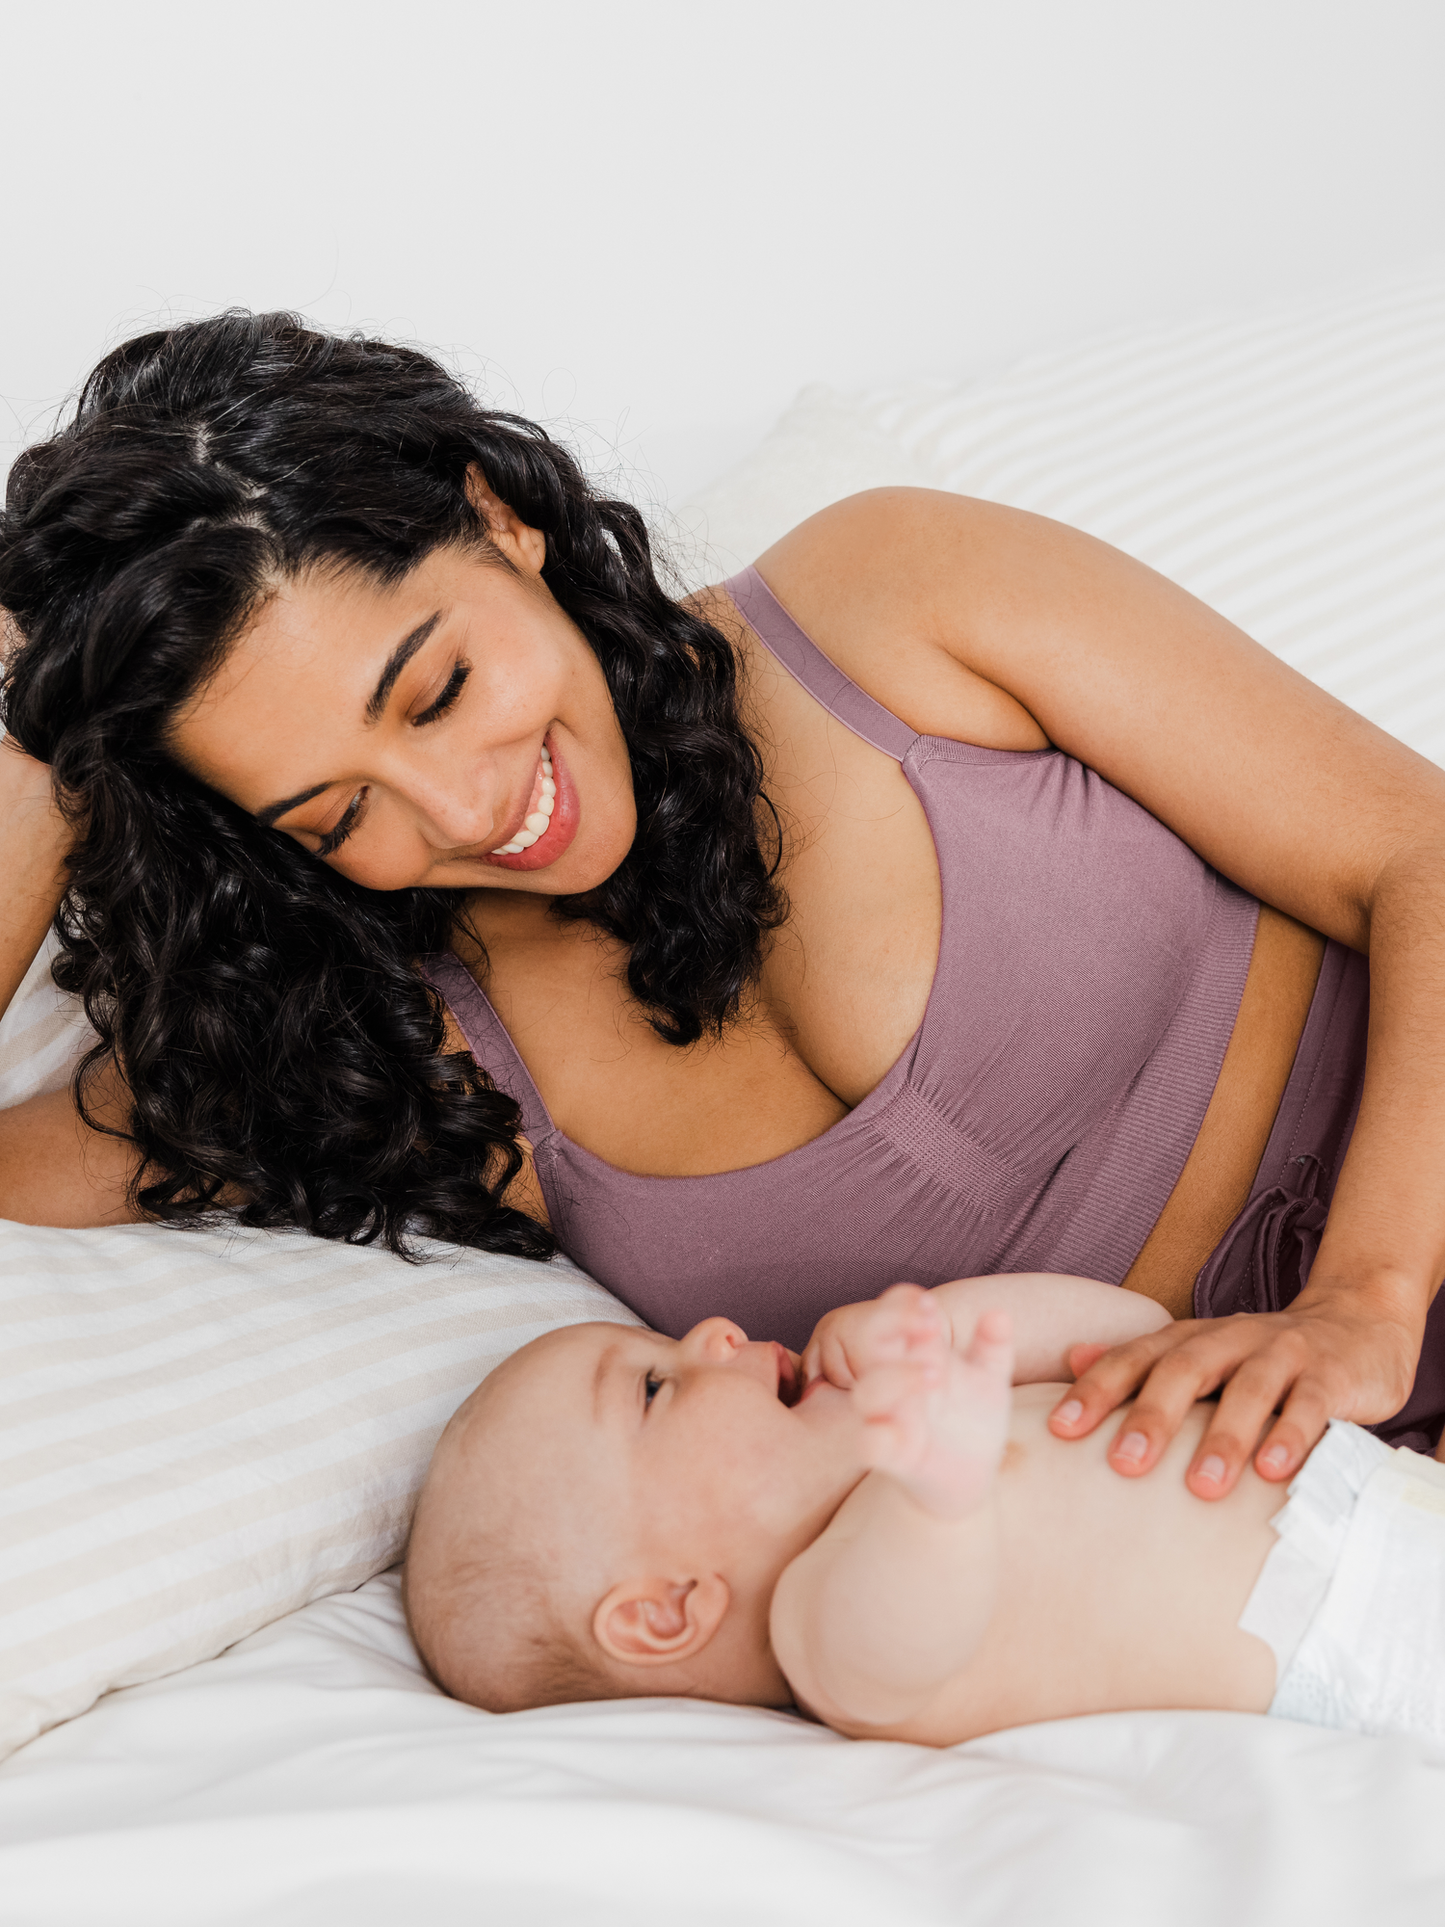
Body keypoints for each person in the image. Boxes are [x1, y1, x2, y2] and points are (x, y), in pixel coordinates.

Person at [3, 310, 1445, 1507]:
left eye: (439, 691)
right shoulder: (404, 1058)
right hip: (1331, 1518)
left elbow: (1416, 849)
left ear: (497, 518)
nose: (460, 811)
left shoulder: (883, 603)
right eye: (337, 811)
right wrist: (40, 709)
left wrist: (1364, 1307)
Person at [402, 1276, 1445, 1747]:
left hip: (1389, 1504)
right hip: (1374, 1648)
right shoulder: (822, 1636)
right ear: (663, 1609)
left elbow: (1129, 1330)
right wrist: (934, 1496)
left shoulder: (898, 1420)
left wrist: (941, 1329)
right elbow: (909, 1628)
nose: (709, 1332)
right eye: (653, 1387)